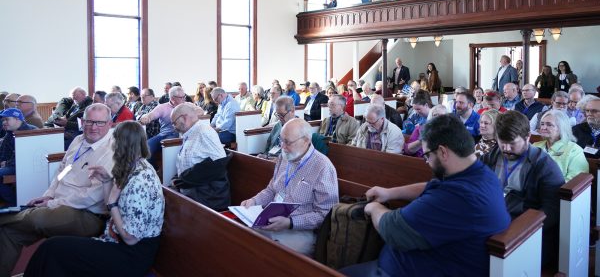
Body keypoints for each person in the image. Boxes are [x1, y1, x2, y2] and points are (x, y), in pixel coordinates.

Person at [342, 115, 510, 277]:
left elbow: (391, 230)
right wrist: (389, 193)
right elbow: (433, 186)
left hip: (402, 270)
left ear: (443, 152)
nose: (427, 162)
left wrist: (374, 208)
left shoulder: (456, 198)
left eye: (427, 155)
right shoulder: (482, 174)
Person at [24, 121, 164, 277]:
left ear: (121, 144)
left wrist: (112, 205)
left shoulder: (140, 180)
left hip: (129, 255)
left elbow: (130, 239)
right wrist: (105, 181)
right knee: (52, 249)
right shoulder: (133, 165)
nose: (112, 146)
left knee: (52, 249)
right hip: (114, 240)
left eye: (114, 141)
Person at [0, 103, 115, 276]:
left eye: (99, 123)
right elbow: (61, 173)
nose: (93, 127)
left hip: (87, 214)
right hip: (60, 204)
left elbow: (93, 196)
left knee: (35, 218)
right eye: (88, 122)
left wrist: (54, 202)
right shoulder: (78, 140)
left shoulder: (112, 150)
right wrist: (47, 196)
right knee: (9, 232)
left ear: (109, 124)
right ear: (82, 122)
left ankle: (6, 216)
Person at [240, 119, 339, 256]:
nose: (283, 147)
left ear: (306, 140)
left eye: (288, 142)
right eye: (281, 140)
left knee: (270, 253)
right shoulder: (284, 157)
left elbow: (325, 214)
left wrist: (290, 223)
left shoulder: (323, 167)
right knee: (242, 237)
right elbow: (271, 189)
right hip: (273, 219)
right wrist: (254, 201)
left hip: (302, 230)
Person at [481, 111, 564, 266]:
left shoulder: (544, 166)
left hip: (525, 231)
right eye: (501, 141)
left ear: (528, 137)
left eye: (512, 143)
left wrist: (514, 231)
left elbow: (552, 211)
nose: (505, 148)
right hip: (493, 221)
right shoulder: (492, 156)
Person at [170, 103, 230, 210]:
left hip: (206, 197)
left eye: (175, 123)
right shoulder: (190, 133)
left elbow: (219, 164)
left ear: (184, 118)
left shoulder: (204, 132)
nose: (174, 127)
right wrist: (178, 179)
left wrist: (182, 179)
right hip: (193, 191)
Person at [533, 110, 588, 182]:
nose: (543, 128)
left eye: (549, 125)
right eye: (542, 124)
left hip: (557, 191)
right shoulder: (535, 146)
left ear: (561, 128)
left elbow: (576, 180)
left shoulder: (574, 150)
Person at [139, 86, 189, 162]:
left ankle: (166, 171)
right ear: (172, 98)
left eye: (184, 97)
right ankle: (152, 170)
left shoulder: (187, 105)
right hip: (163, 134)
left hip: (179, 135)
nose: (183, 99)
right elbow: (152, 114)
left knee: (168, 143)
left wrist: (197, 111)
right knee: (147, 146)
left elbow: (200, 111)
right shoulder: (162, 107)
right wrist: (147, 118)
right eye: (181, 97)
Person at [0, 108, 37, 206]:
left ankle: (14, 204)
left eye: (7, 119)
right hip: (12, 165)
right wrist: (3, 162)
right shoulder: (9, 133)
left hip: (25, 166)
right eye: (3, 120)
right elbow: (3, 154)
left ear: (17, 119)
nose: (3, 122)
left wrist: (6, 163)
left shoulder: (30, 132)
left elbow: (26, 157)